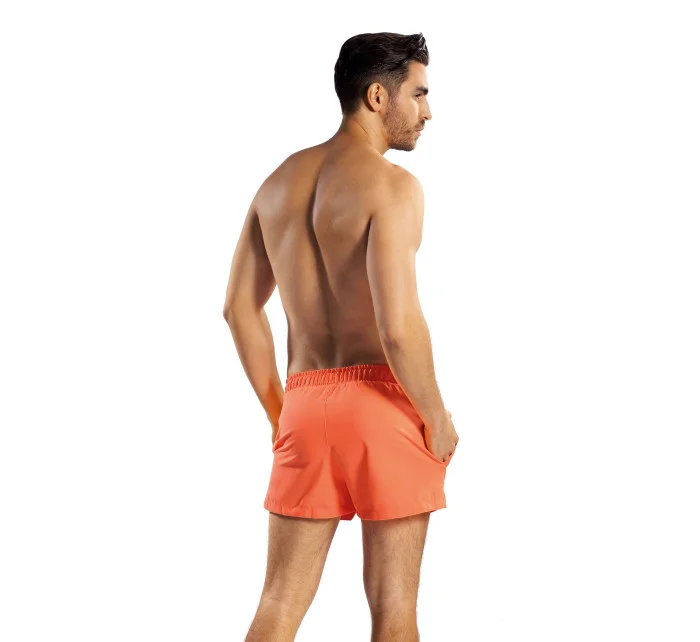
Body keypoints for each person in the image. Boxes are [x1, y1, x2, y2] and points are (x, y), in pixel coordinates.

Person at [223, 31, 459, 642]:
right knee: (394, 608)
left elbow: (239, 310)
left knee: (279, 601)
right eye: (419, 93)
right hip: (383, 403)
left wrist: (279, 410)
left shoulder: (276, 183)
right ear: (378, 97)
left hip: (304, 404)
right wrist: (436, 416)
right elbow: (398, 327)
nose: (429, 111)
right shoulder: (393, 186)